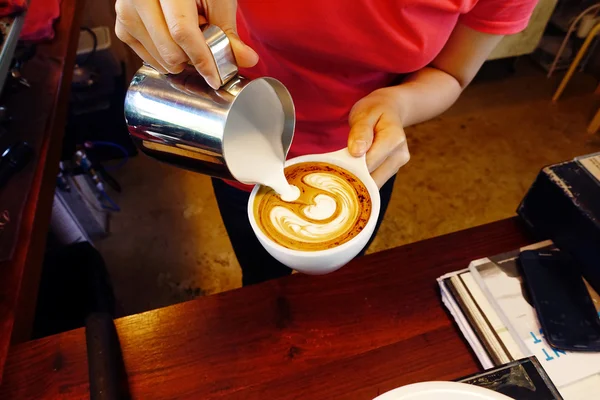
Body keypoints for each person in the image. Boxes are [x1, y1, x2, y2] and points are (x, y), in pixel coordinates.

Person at [115, 0, 538, 285]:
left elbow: (453, 74)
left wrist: (398, 103)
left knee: (342, 285)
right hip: (239, 136)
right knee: (261, 283)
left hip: (362, 155)